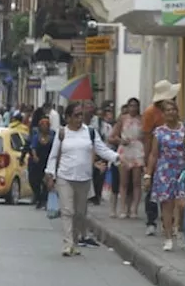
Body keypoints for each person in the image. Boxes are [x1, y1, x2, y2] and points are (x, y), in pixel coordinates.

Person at [46, 102, 118, 257]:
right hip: (65, 176)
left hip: (84, 179)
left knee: (80, 213)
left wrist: (117, 157)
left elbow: (101, 149)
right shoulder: (62, 133)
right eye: (76, 115)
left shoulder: (90, 132)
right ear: (68, 117)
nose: (80, 118)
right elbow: (53, 156)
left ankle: (75, 241)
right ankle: (67, 243)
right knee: (67, 211)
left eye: (81, 115)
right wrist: (50, 174)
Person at [145, 100, 185, 251]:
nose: (170, 112)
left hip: (181, 170)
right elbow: (154, 154)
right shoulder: (159, 132)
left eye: (173, 109)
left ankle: (180, 228)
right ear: (163, 114)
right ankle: (168, 237)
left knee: (183, 204)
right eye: (167, 110)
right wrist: (148, 175)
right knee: (167, 205)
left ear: (177, 111)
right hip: (164, 170)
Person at [141, 81, 181, 236]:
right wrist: (148, 161)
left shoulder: (174, 113)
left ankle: (173, 225)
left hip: (174, 156)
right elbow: (146, 136)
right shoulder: (150, 112)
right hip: (158, 152)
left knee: (177, 195)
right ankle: (152, 220)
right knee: (154, 191)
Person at [110, 98, 144, 219]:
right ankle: (123, 207)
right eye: (131, 106)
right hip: (125, 150)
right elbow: (112, 136)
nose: (133, 108)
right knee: (123, 181)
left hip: (138, 150)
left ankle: (134, 208)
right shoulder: (123, 119)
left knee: (136, 181)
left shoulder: (142, 119)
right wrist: (120, 140)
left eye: (135, 106)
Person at [27, 114, 54, 209]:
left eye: (46, 125)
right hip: (37, 163)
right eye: (42, 125)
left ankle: (44, 200)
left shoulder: (52, 137)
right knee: (36, 182)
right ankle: (38, 198)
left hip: (47, 162)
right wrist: (35, 156)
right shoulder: (36, 137)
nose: (44, 127)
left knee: (47, 182)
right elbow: (33, 147)